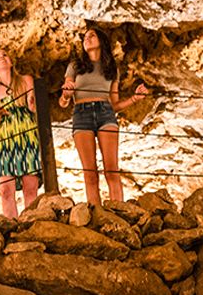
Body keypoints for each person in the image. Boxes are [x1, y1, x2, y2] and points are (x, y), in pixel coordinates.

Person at [58, 27, 147, 204]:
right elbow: (63, 100)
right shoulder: (74, 66)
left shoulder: (111, 68)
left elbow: (114, 105)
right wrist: (66, 95)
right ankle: (96, 213)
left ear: (101, 41)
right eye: (85, 38)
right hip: (81, 114)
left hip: (106, 113)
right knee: (90, 172)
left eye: (92, 35)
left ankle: (119, 210)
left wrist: (135, 99)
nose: (87, 39)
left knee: (111, 170)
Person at [0, 48, 42, 218]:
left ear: (11, 62)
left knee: (30, 188)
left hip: (27, 136)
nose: (2, 57)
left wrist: (32, 102)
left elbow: (33, 108)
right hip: (5, 140)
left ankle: (31, 223)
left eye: (4, 55)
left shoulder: (25, 80)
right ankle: (12, 226)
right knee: (5, 190)